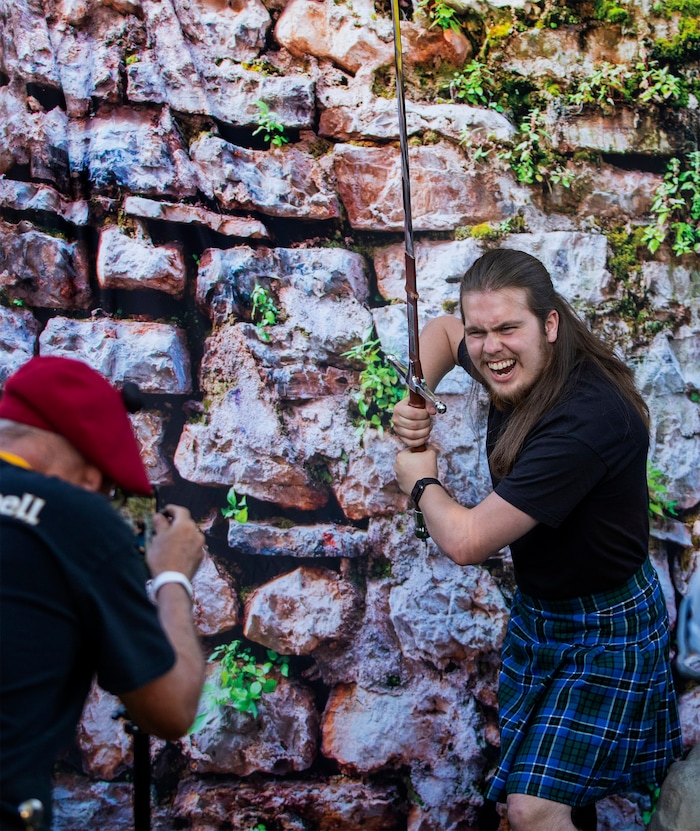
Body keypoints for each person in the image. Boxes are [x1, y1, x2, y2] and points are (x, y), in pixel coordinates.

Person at [392, 249, 682, 831]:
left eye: (507, 328)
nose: (489, 346)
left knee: (533, 809)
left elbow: (468, 540)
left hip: (607, 631)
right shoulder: (514, 360)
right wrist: (416, 394)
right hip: (540, 616)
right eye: (482, 331)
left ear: (549, 324)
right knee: (554, 793)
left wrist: (420, 476)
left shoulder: (587, 418)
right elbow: (445, 331)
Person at [0, 356, 206, 831]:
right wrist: (172, 577)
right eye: (107, 491)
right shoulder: (74, 515)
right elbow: (171, 710)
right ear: (93, 476)